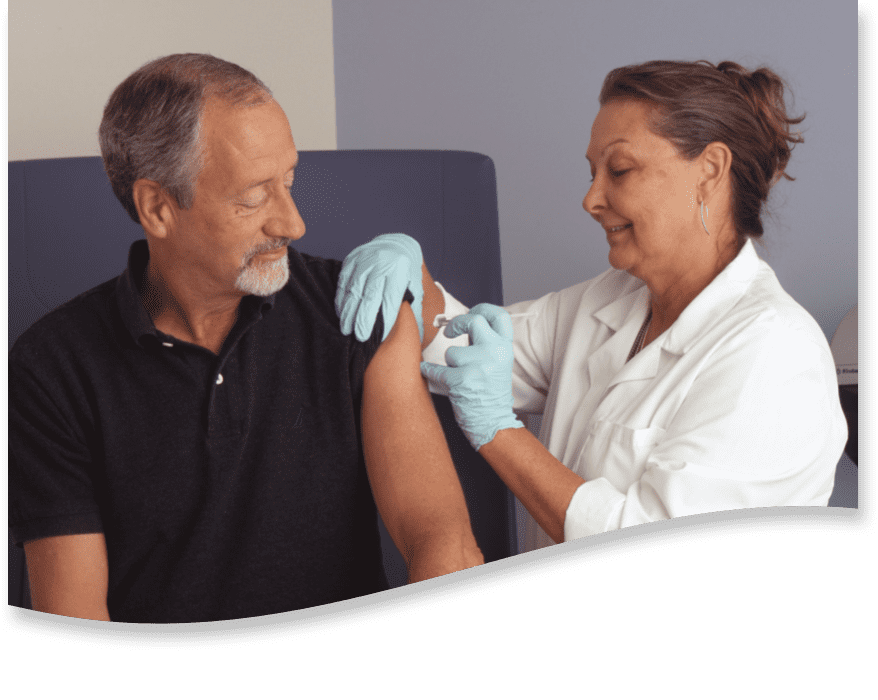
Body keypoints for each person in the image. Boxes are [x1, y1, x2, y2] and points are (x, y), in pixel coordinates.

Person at [8, 54, 482, 623]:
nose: (292, 222)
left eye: (289, 181)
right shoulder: (51, 370)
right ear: (157, 207)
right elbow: (74, 623)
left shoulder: (358, 312)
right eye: (255, 197)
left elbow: (442, 543)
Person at [335, 60, 847, 552]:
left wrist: (499, 431)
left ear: (710, 171)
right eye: (592, 172)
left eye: (619, 170)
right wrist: (411, 273)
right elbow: (463, 349)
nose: (590, 198)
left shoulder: (775, 354)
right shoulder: (609, 300)